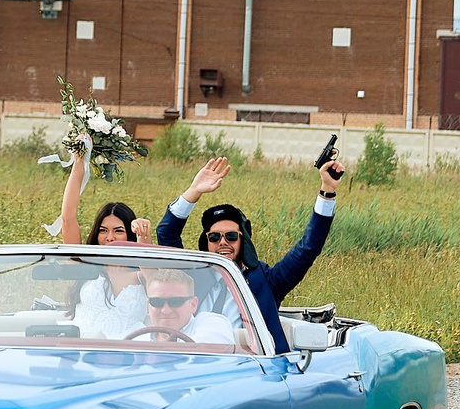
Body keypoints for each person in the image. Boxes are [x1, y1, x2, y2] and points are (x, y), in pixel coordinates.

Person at [153, 152, 347, 355]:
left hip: (253, 369)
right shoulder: (192, 279)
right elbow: (166, 233)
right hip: (197, 366)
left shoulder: (265, 280)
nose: (223, 243)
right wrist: (193, 192)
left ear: (242, 240)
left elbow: (308, 248)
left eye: (230, 236)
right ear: (206, 242)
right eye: (214, 237)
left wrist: (327, 191)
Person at [57, 140, 146, 337]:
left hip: (130, 351)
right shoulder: (86, 267)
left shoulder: (143, 271)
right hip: (83, 348)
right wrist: (80, 161)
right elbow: (68, 218)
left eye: (118, 230)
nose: (110, 237)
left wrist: (144, 240)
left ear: (130, 235)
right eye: (103, 230)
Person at [126, 267, 254, 350]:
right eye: (157, 302)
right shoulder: (135, 337)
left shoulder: (212, 323)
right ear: (149, 306)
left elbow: (205, 358)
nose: (166, 310)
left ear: (193, 304)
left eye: (175, 301)